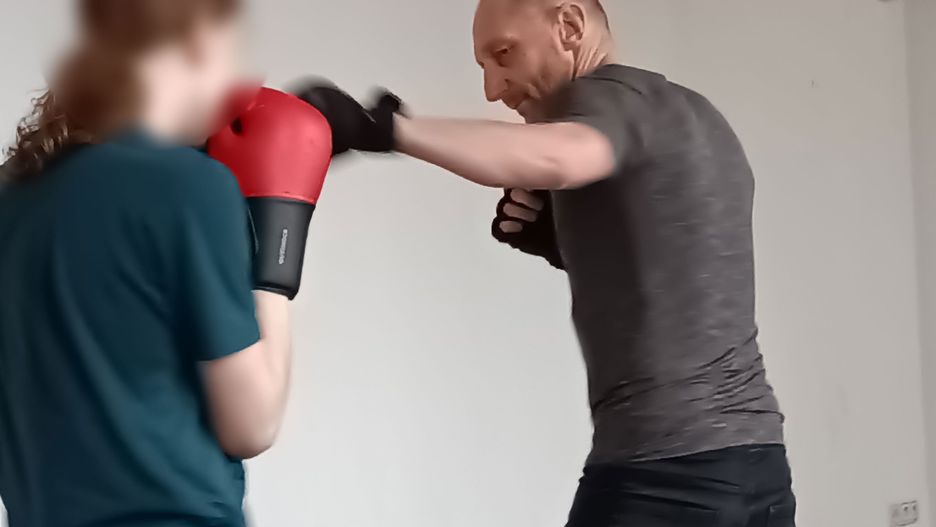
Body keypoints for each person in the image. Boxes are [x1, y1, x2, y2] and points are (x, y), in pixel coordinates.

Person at [294, 0, 796, 525]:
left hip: (664, 476)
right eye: (483, 66)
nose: (493, 88)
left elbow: (557, 155)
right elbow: (682, 267)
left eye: (504, 54)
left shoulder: (607, 96)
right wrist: (570, 248)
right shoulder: (695, 115)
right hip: (760, 470)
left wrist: (382, 130)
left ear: (570, 27)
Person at [0, 1, 332, 526]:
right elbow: (251, 423)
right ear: (200, 41)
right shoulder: (187, 186)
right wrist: (277, 248)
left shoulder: (13, 199)